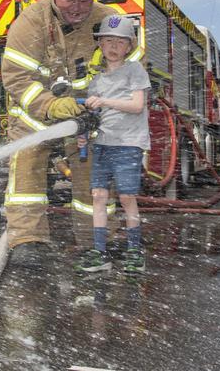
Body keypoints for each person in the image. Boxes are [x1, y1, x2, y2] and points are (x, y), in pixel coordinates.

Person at [1, 0, 115, 268]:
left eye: (83, 0)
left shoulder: (108, 21)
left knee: (92, 175)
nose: (76, 7)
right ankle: (28, 240)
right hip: (34, 114)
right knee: (27, 168)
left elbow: (127, 70)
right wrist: (51, 105)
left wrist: (102, 104)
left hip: (86, 115)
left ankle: (97, 239)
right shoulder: (31, 21)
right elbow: (15, 77)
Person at [74, 14, 151, 274]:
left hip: (129, 143)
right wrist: (84, 132)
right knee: (98, 196)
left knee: (127, 196)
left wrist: (105, 102)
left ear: (129, 46)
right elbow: (93, 116)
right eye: (107, 40)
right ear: (99, 45)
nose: (113, 46)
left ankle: (134, 250)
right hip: (104, 144)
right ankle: (100, 252)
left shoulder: (135, 70)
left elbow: (137, 106)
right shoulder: (96, 80)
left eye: (120, 41)